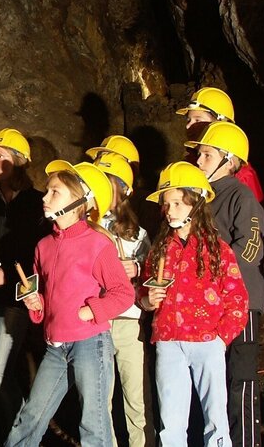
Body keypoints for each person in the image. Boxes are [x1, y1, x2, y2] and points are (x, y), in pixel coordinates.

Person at [6, 160, 134, 447]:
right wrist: (34, 303)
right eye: (47, 190)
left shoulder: (97, 244)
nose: (45, 197)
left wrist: (91, 311)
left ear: (81, 201)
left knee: (93, 424)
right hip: (55, 347)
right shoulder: (43, 246)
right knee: (31, 417)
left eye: (55, 192)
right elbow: (44, 298)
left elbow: (123, 293)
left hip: (89, 343)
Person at [140, 162, 248, 447]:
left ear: (195, 203)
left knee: (215, 418)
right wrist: (147, 301)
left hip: (207, 341)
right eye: (166, 204)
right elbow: (144, 291)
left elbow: (237, 298)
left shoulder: (218, 249)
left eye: (177, 202)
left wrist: (220, 338)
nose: (170, 210)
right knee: (171, 421)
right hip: (168, 340)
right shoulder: (160, 249)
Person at [186, 121, 264, 447]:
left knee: (240, 378)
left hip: (240, 302)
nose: (199, 160)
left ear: (228, 160)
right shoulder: (199, 199)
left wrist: (209, 273)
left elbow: (250, 246)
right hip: (207, 302)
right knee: (209, 380)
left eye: (206, 155)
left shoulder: (241, 196)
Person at [0, 128, 49, 445]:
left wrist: (11, 278)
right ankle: (9, 435)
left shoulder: (37, 205)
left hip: (16, 300)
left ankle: (23, 438)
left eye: (0, 156)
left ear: (18, 163)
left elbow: (43, 257)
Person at [91, 150, 155, 447]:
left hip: (129, 321)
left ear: (122, 189)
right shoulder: (87, 227)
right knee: (100, 399)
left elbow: (154, 272)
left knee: (136, 397)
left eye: (106, 181)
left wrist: (138, 267)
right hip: (97, 322)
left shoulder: (137, 233)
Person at [176, 87, 263, 203]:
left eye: (197, 120)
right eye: (188, 120)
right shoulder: (191, 162)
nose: (188, 126)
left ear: (219, 123)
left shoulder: (240, 174)